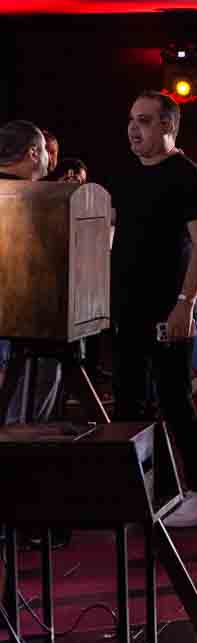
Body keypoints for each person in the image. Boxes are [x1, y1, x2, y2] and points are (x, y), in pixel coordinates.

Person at [110, 91, 197, 527]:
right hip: (127, 309)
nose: (133, 129)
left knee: (175, 400)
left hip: (168, 311)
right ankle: (146, 495)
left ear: (167, 126)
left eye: (144, 121)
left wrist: (184, 305)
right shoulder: (126, 175)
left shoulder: (187, 176)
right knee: (129, 404)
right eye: (131, 120)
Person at [0, 120, 62, 426]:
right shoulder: (41, 200)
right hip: (29, 327)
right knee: (23, 423)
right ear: (33, 153)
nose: (51, 159)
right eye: (46, 151)